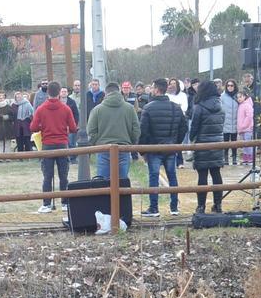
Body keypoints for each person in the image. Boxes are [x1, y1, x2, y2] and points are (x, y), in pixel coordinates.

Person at [138, 79, 186, 217]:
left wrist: (143, 151)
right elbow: (184, 128)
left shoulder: (148, 108)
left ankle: (154, 208)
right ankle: (174, 207)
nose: (151, 90)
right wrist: (176, 142)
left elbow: (144, 132)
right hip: (170, 147)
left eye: (152, 87)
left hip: (154, 149)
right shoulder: (176, 107)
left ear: (157, 90)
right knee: (172, 176)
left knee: (154, 177)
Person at [29, 81, 77, 214]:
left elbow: (33, 127)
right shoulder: (66, 108)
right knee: (64, 176)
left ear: (47, 92)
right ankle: (65, 203)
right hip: (62, 144)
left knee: (47, 176)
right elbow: (73, 128)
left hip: (47, 145)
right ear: (59, 92)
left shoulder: (41, 109)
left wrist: (42, 127)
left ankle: (46, 204)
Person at [87, 81, 139, 181]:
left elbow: (91, 132)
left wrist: (97, 143)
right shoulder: (130, 108)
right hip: (123, 147)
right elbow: (136, 130)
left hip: (103, 148)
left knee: (102, 182)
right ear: (119, 92)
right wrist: (130, 142)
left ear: (105, 93)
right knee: (122, 183)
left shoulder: (97, 110)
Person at [189, 80, 226, 214]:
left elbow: (194, 127)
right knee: (216, 174)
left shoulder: (199, 107)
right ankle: (218, 205)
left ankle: (201, 206)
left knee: (202, 176)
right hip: (217, 143)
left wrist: (192, 139)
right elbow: (222, 123)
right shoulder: (220, 105)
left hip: (203, 144)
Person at [220, 78, 240, 166]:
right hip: (226, 122)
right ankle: (226, 158)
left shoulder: (238, 96)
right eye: (228, 85)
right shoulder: (222, 96)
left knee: (234, 142)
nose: (230, 87)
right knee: (226, 141)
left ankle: (234, 157)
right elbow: (220, 109)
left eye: (232, 85)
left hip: (235, 122)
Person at [60, 87, 80, 163]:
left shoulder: (72, 102)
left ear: (67, 93)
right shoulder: (57, 101)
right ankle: (63, 158)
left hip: (70, 126)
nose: (64, 93)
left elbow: (76, 114)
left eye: (65, 91)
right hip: (60, 126)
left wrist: (74, 124)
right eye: (62, 91)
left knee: (72, 143)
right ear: (59, 93)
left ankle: (73, 158)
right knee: (62, 143)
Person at [236, 90, 254, 165]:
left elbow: (249, 116)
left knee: (248, 144)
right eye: (237, 97)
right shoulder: (241, 105)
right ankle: (245, 159)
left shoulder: (247, 105)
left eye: (240, 97)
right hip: (242, 129)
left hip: (247, 129)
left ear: (245, 96)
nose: (239, 99)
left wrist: (244, 125)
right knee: (244, 145)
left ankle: (250, 159)